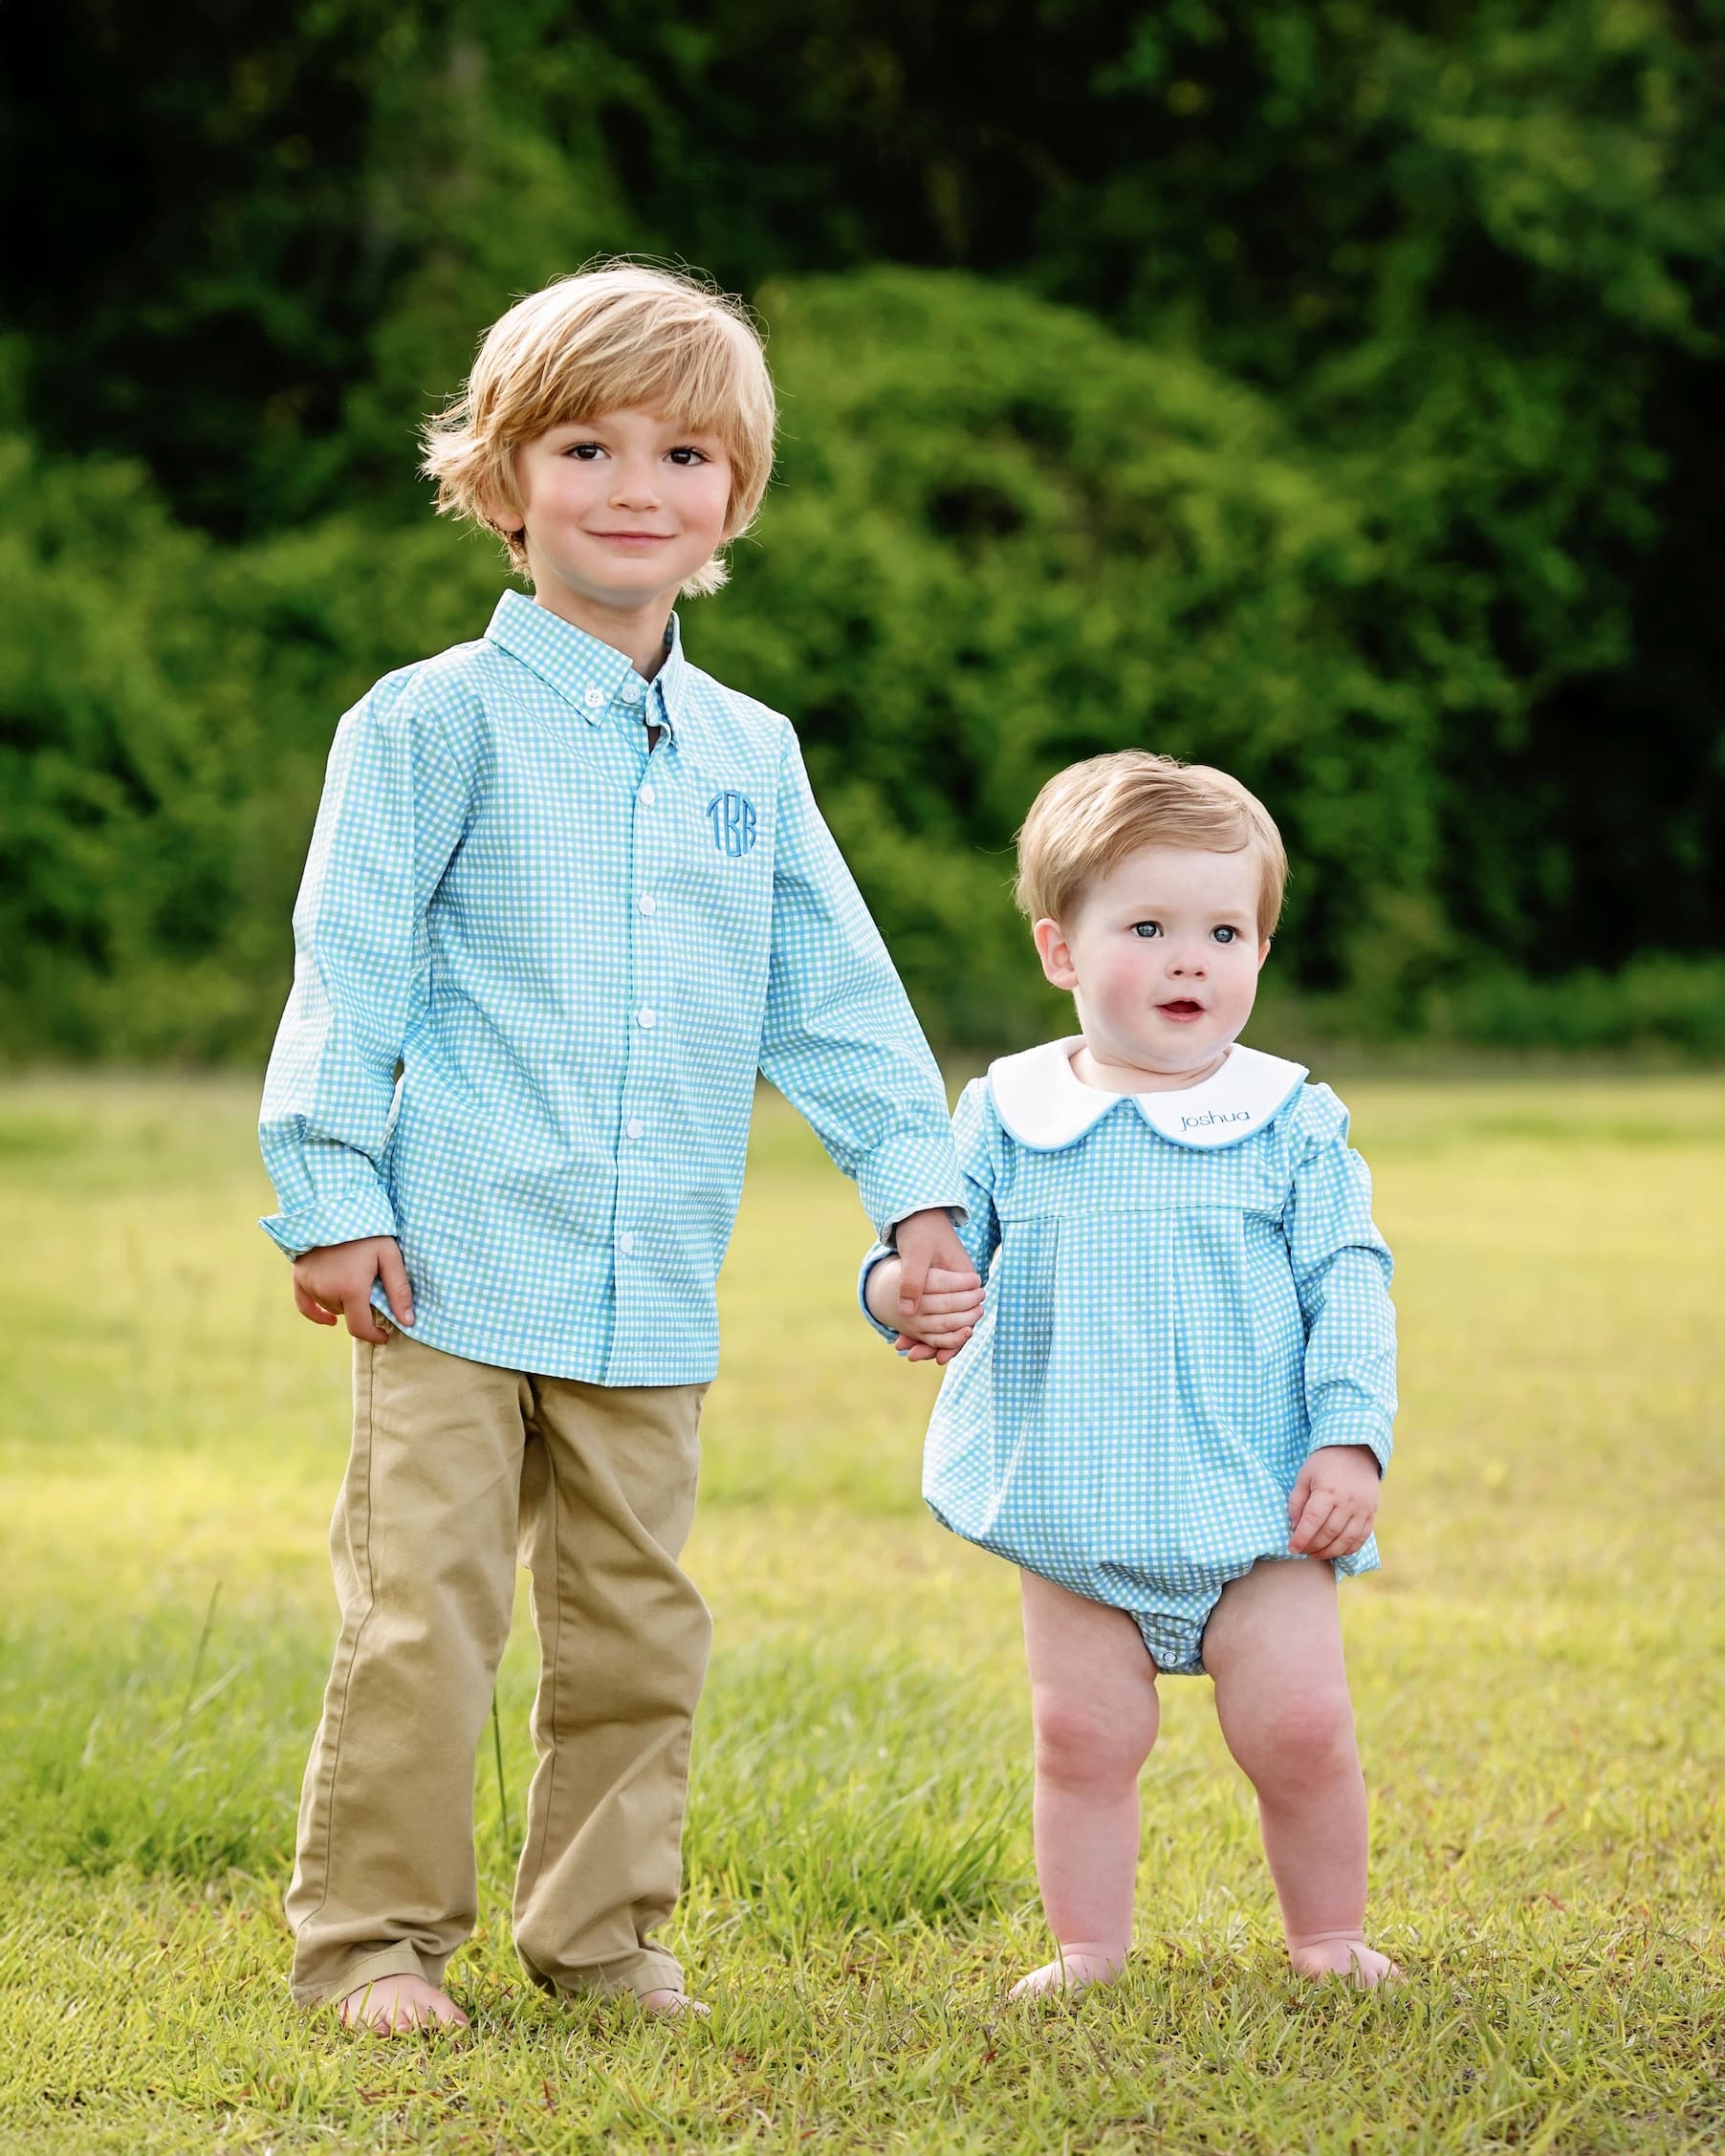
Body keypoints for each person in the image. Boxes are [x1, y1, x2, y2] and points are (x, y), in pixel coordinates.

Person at [258, 262, 974, 2035]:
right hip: (450, 1265)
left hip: (651, 1280)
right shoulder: (428, 724)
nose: (633, 486)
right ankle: (373, 1946)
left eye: (681, 453)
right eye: (583, 446)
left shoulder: (753, 751)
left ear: (734, 496)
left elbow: (836, 994)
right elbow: (349, 970)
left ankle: (597, 1935)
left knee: (641, 1629)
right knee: (424, 1618)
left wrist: (916, 1196)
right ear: (502, 481)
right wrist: (333, 1192)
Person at [862, 751, 1399, 1995]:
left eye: (1225, 929)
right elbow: (931, 1249)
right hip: (1076, 1502)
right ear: (1061, 950)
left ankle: (1328, 1940)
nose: (1189, 959)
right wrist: (903, 1293)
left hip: (1259, 1504)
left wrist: (1350, 1440)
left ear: (1261, 951)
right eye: (1147, 927)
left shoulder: (1291, 1120)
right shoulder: (1007, 1113)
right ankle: (1089, 1951)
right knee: (1081, 1736)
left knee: (1302, 1731)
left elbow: (1351, 1283)